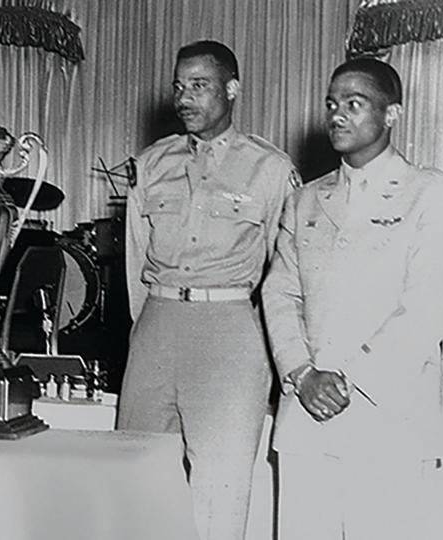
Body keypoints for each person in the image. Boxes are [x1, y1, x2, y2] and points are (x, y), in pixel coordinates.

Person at [262, 57, 443, 540]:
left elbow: (425, 310)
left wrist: (346, 381)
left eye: (354, 104)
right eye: (333, 103)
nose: (337, 114)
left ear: (391, 115)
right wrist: (303, 374)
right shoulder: (306, 199)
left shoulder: (432, 194)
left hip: (389, 418)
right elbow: (279, 292)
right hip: (307, 414)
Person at [120, 41, 299, 540]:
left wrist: (265, 352)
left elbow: (280, 270)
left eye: (199, 85)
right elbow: (136, 260)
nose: (185, 98)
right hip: (156, 325)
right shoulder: (151, 163)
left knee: (220, 494)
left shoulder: (270, 168)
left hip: (230, 333)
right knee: (136, 472)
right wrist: (147, 330)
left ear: (232, 89)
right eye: (179, 86)